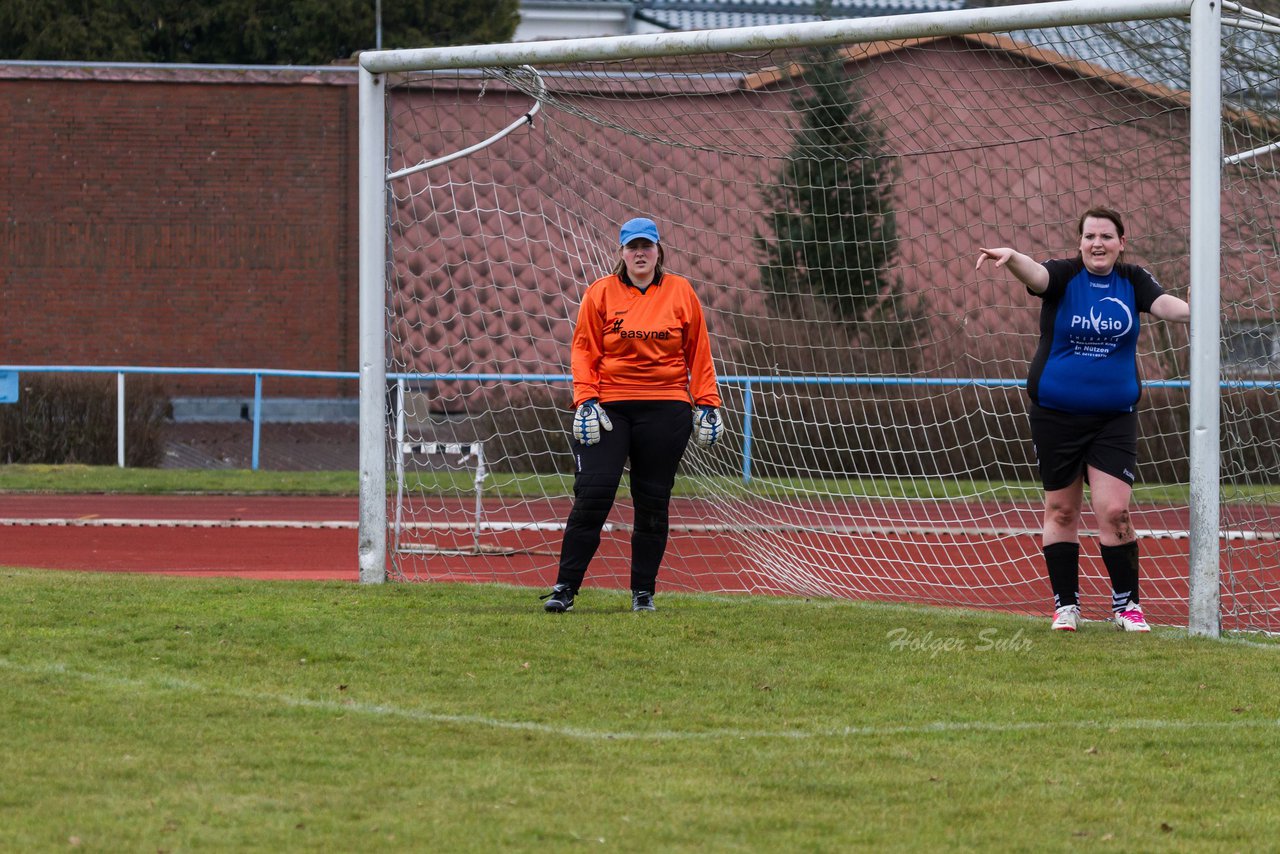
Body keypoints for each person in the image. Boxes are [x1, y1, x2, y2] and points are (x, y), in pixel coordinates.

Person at [976, 206, 1190, 633]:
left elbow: (1163, 305)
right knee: (1061, 510)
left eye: (1107, 236)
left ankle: (1126, 607)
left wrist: (1196, 309)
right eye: (1090, 236)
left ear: (1121, 243)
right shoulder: (1064, 275)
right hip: (1055, 416)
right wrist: (1013, 257)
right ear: (1080, 242)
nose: (1098, 243)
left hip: (1113, 418)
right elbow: (1036, 275)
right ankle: (1066, 606)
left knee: (1114, 512)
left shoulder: (1133, 280)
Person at [540, 216, 724, 613]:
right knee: (593, 495)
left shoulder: (680, 291)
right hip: (609, 408)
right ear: (621, 253)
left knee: (653, 502)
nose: (640, 253)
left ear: (659, 251)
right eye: (632, 247)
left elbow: (698, 352)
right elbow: (584, 350)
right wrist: (585, 399)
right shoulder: (600, 293)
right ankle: (565, 588)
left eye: (647, 246)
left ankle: (643, 593)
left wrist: (708, 402)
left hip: (666, 406)